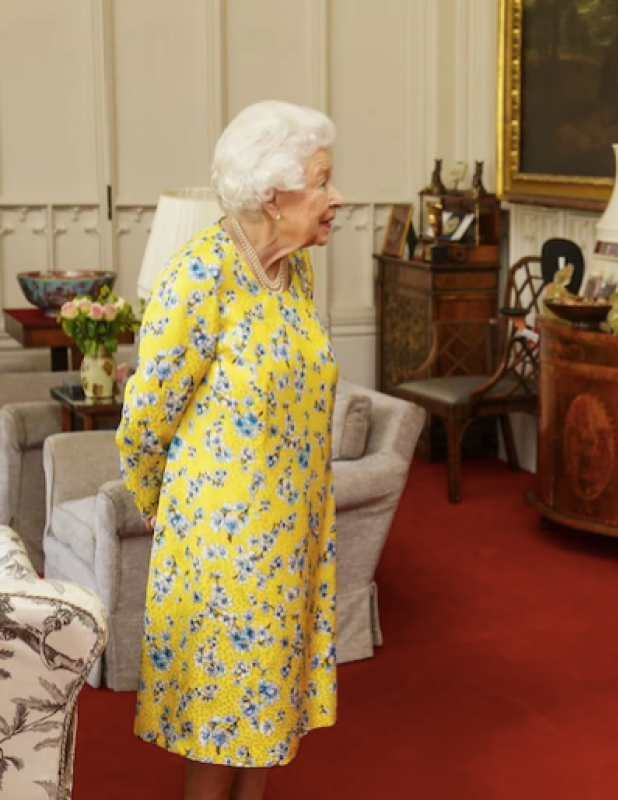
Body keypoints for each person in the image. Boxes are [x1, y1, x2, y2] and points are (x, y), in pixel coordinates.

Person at [117, 100, 345, 800]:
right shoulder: (199, 275)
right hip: (222, 541)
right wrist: (168, 510)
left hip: (291, 533)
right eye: (322, 182)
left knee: (268, 711)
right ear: (274, 197)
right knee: (221, 722)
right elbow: (144, 418)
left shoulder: (293, 273)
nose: (337, 198)